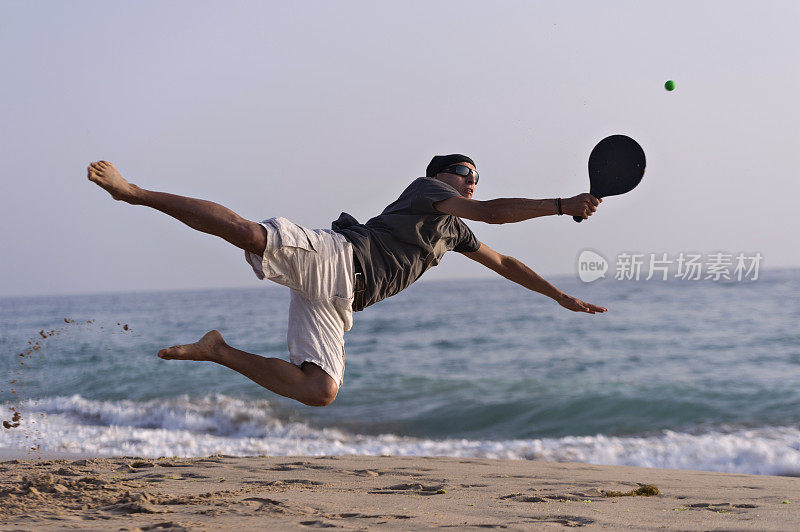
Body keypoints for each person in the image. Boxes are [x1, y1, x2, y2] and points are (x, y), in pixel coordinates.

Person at [87, 155, 606, 407]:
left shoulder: (454, 231)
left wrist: (560, 295)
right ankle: (136, 192)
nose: (472, 179)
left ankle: (218, 350)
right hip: (338, 258)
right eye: (463, 172)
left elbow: (506, 261)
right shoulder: (425, 190)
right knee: (249, 233)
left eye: (476, 175)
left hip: (343, 299)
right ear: (441, 177)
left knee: (320, 391)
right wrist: (560, 206)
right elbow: (492, 213)